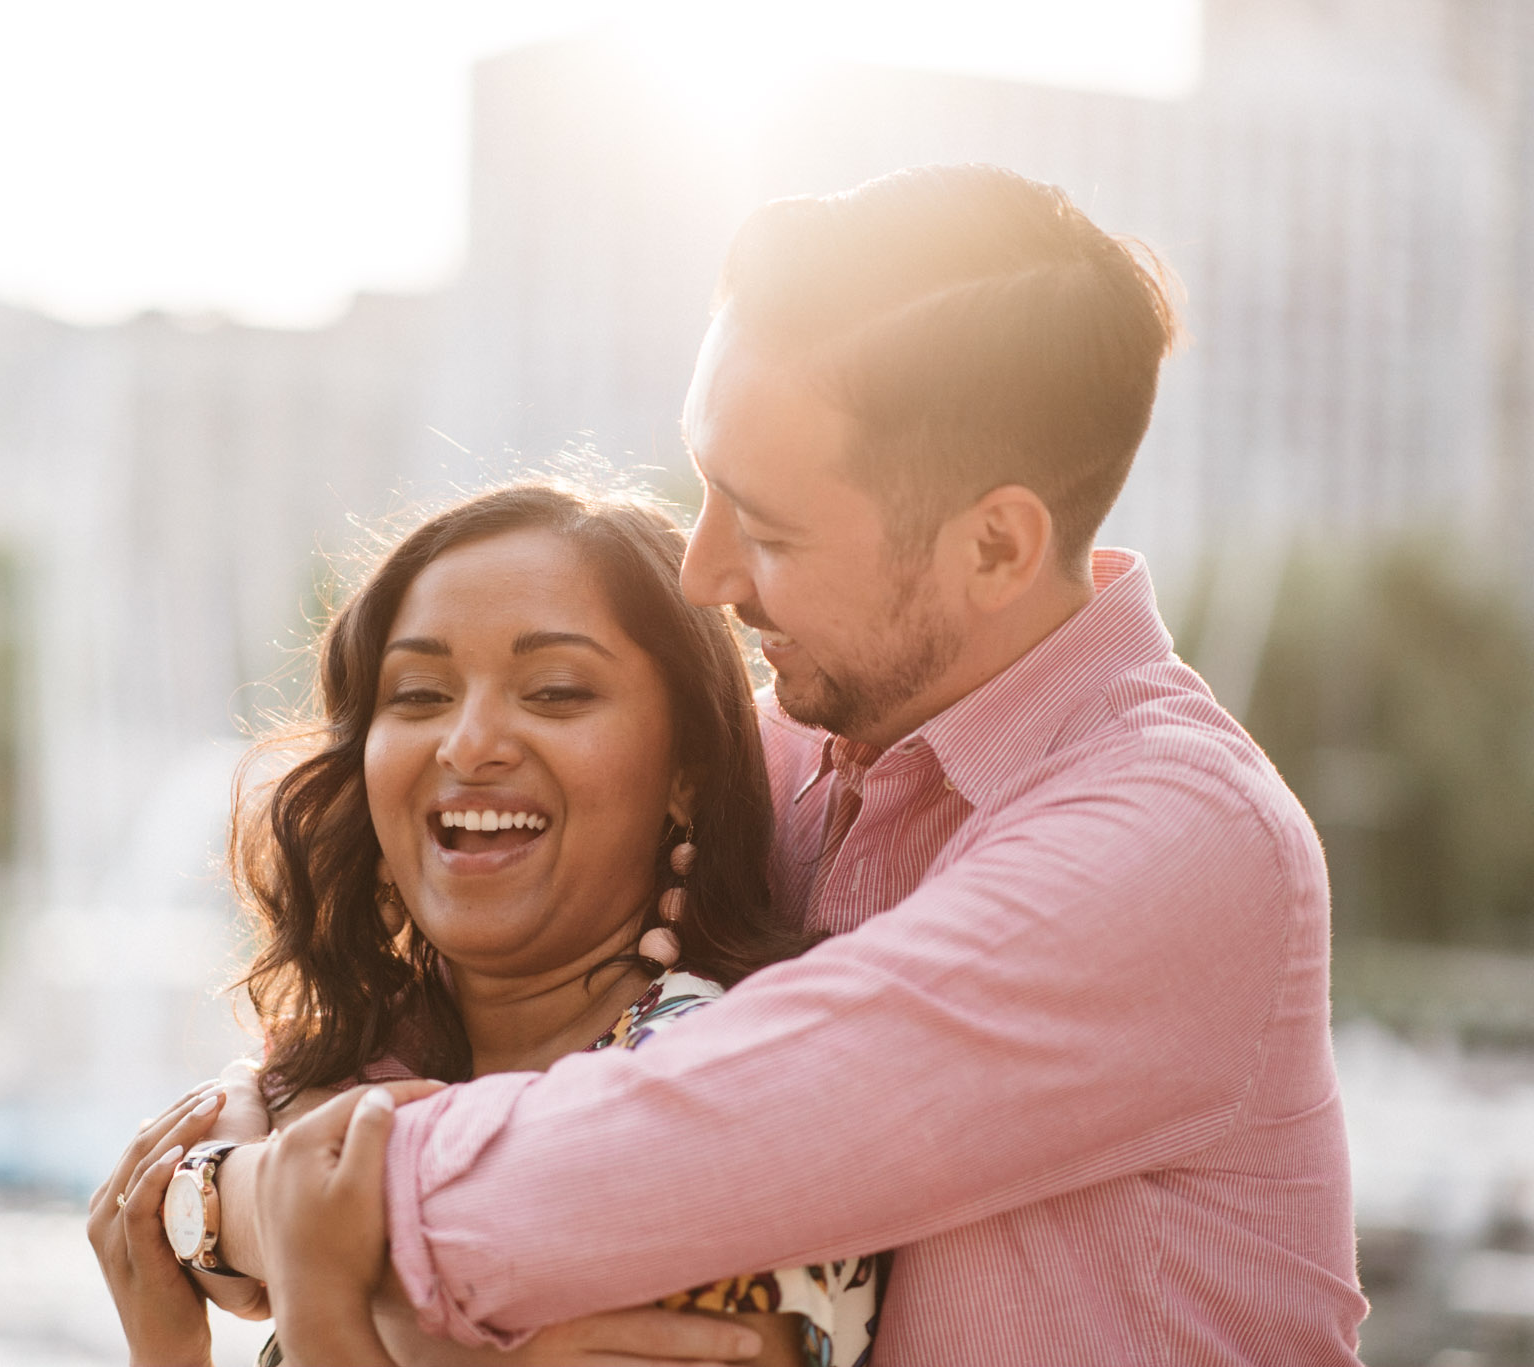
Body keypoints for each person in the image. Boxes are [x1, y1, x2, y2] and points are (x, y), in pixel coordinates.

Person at [208, 164, 1371, 1365]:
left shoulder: (1176, 842)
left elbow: (632, 1160)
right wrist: (261, 1133)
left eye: (764, 528)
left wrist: (228, 1200)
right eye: (705, 489)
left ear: (994, 544)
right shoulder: (778, 762)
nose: (703, 573)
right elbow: (452, 1020)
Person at [90, 482, 882, 1366]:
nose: (469, 745)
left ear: (686, 768)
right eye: (420, 694)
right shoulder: (357, 1072)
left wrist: (321, 1305)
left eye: (553, 691)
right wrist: (167, 1339)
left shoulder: (729, 1094)